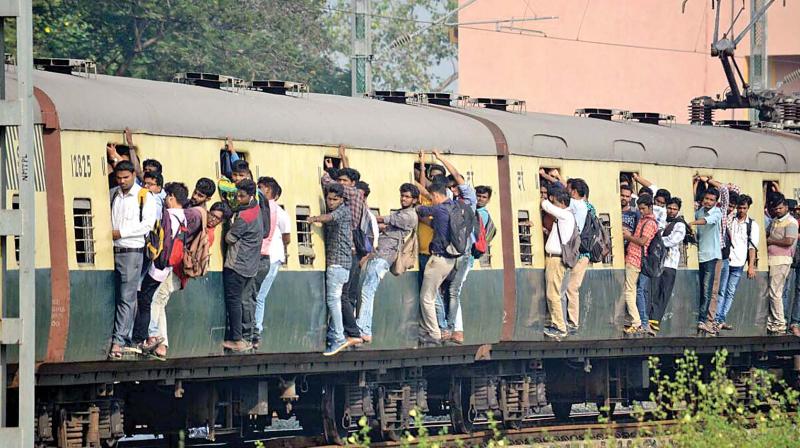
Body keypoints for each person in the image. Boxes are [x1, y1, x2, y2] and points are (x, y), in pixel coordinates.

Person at [148, 201, 231, 359]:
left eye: (218, 219)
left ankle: (159, 341)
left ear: (222, 222)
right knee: (160, 301)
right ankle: (161, 343)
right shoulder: (203, 226)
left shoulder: (207, 234)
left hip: (178, 271)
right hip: (178, 272)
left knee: (157, 300)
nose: (213, 219)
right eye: (212, 215)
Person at [356, 183, 420, 343]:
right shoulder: (401, 213)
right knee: (365, 290)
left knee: (367, 291)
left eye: (407, 197)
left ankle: (364, 329)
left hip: (384, 256)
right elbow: (385, 225)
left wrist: (363, 213)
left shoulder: (409, 216)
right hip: (379, 254)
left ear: (414, 200)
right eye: (402, 195)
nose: (403, 199)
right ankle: (362, 328)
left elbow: (383, 219)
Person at [108, 161, 158, 360]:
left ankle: (119, 341)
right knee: (118, 296)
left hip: (132, 251)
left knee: (127, 297)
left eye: (125, 178)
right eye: (119, 178)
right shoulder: (114, 194)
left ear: (133, 176)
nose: (121, 181)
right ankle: (119, 338)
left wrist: (121, 232)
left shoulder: (144, 196)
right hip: (112, 249)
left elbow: (147, 225)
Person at [132, 182, 188, 354]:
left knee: (145, 299)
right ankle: (150, 335)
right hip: (167, 265)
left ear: (171, 197)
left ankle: (143, 337)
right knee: (149, 298)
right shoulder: (183, 217)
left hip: (157, 263)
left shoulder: (168, 216)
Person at [426, 150, 476, 343]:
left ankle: (454, 329)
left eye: (456, 187)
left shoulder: (468, 200)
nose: (454, 189)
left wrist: (441, 158)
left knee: (454, 290)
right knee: (444, 290)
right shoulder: (450, 206)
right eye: (451, 188)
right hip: (451, 254)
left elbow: (456, 176)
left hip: (463, 254)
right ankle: (449, 328)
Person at [309, 183, 362, 355]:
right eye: (328, 199)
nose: (330, 202)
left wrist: (314, 219)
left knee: (334, 300)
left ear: (342, 199)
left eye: (334, 199)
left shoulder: (343, 211)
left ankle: (338, 336)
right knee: (337, 300)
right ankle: (336, 334)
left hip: (338, 263)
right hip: (341, 264)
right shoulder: (340, 209)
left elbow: (329, 218)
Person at [222, 179, 263, 352]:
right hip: (251, 265)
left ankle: (237, 339)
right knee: (244, 301)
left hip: (237, 265)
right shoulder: (256, 209)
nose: (238, 198)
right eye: (237, 195)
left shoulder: (244, 218)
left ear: (251, 195)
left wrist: (228, 226)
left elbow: (229, 239)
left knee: (234, 301)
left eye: (241, 196)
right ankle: (249, 337)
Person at [252, 177, 291, 348]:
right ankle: (254, 330)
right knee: (256, 295)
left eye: (261, 187)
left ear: (269, 191)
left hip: (271, 257)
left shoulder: (279, 213)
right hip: (264, 257)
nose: (258, 190)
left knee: (259, 296)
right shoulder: (261, 209)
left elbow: (287, 236)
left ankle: (256, 330)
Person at [416, 181, 457, 345]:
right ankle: (433, 329)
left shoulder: (439, 208)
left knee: (426, 298)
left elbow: (422, 210)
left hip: (438, 259)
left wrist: (416, 206)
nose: (431, 200)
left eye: (431, 197)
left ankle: (434, 333)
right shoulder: (454, 207)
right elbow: (437, 225)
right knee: (432, 296)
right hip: (451, 259)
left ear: (436, 195)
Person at [714, 195, 759, 330]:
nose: (741, 210)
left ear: (748, 208)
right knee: (721, 291)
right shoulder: (729, 220)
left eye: (744, 208)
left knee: (730, 292)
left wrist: (751, 266)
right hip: (727, 260)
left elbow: (752, 247)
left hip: (739, 263)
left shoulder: (752, 225)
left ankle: (721, 319)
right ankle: (716, 319)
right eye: (739, 207)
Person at [541, 186, 575, 339]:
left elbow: (545, 205)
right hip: (553, 258)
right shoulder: (565, 218)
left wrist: (545, 199)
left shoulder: (566, 216)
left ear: (561, 202)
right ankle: (554, 323)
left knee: (553, 294)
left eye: (555, 201)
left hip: (556, 259)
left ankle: (560, 327)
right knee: (553, 293)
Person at [688, 188, 724, 335]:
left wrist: (692, 222)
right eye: (706, 199)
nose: (708, 202)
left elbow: (706, 222)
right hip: (699, 255)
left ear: (716, 202)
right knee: (700, 288)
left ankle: (703, 320)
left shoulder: (716, 212)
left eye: (711, 200)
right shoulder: (699, 211)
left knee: (707, 289)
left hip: (710, 256)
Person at [648, 197, 687, 333]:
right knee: (654, 289)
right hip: (658, 261)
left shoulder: (680, 225)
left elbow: (672, 240)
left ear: (678, 210)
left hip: (670, 263)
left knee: (664, 291)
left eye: (674, 209)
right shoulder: (661, 217)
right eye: (669, 208)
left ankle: (655, 319)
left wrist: (656, 240)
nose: (671, 211)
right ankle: (650, 317)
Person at [622, 195, 658, 336]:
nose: (641, 211)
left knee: (630, 291)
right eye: (640, 208)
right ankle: (641, 321)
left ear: (650, 207)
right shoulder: (645, 220)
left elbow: (643, 241)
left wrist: (627, 237)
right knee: (637, 291)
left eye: (643, 208)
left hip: (635, 259)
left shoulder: (649, 223)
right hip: (635, 258)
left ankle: (637, 322)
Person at [765, 197, 798, 335]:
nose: (777, 211)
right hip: (772, 259)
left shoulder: (791, 222)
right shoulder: (774, 221)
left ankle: (779, 323)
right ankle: (773, 322)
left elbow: (789, 241)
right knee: (772, 292)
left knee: (775, 293)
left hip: (782, 260)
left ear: (786, 207)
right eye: (775, 209)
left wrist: (771, 240)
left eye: (780, 208)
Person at [565, 178, 592, 334]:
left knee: (571, 287)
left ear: (574, 191)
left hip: (579, 253)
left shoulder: (575, 204)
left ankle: (573, 322)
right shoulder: (586, 206)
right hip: (580, 253)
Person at [620, 183, 640, 250]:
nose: (624, 198)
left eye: (627, 196)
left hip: (630, 247)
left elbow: (639, 232)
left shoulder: (635, 212)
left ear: (630, 198)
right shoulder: (614, 211)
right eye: (622, 195)